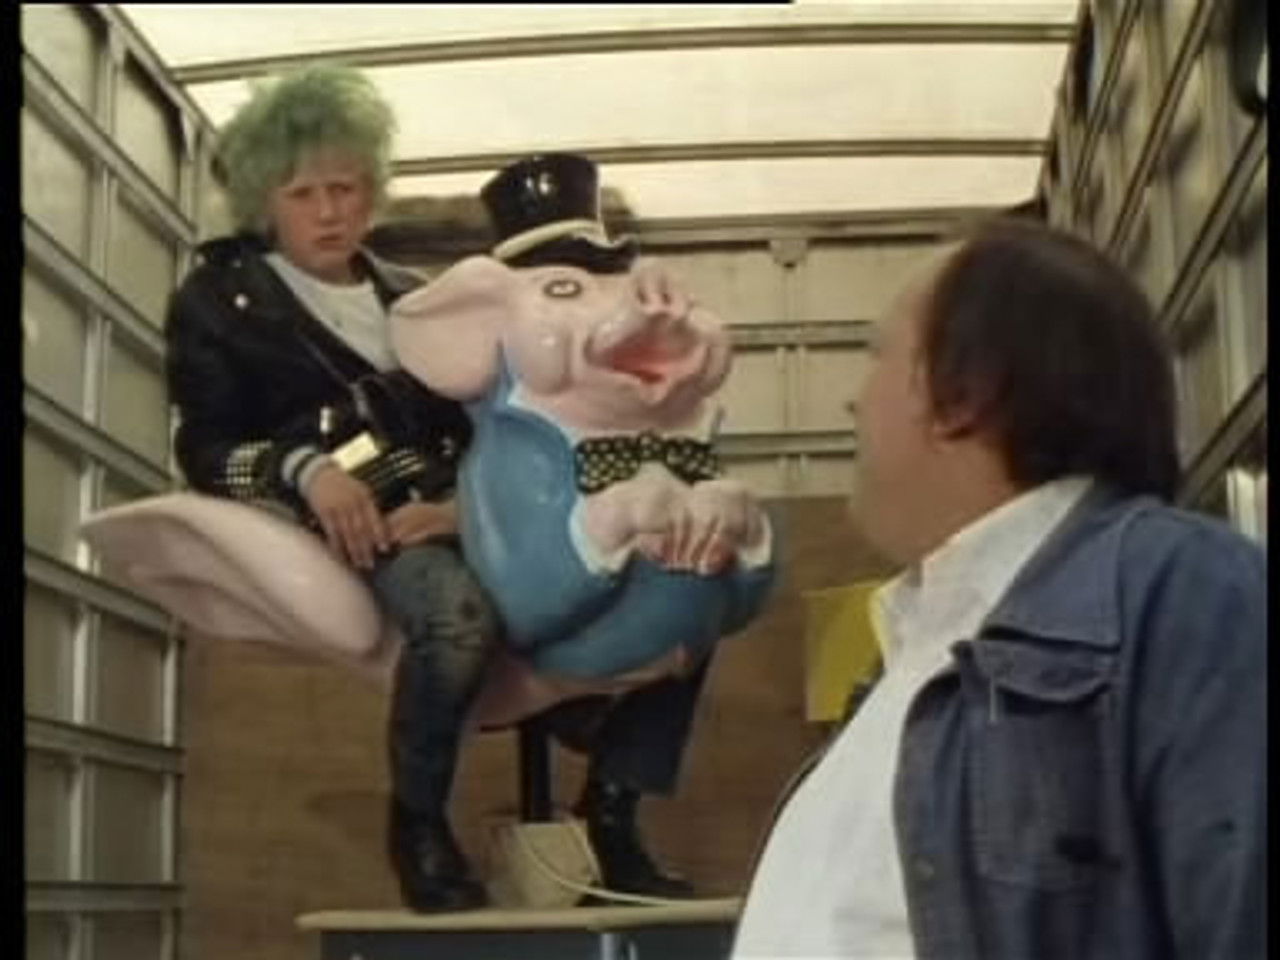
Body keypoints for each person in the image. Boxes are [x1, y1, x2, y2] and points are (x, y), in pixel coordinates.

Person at [166, 66, 708, 910]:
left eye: (345, 187)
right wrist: (306, 473)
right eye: (303, 192)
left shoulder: (416, 298)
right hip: (349, 527)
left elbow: (497, 424)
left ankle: (612, 811)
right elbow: (203, 447)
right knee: (456, 612)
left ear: (371, 188)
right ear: (264, 199)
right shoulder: (217, 300)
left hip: (464, 505)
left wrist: (464, 512)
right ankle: (418, 824)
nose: (329, 211)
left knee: (686, 586)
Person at [731, 217, 1265, 959]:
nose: (853, 401)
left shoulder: (1189, 590)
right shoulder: (916, 658)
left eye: (878, 356)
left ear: (965, 393)